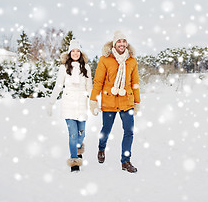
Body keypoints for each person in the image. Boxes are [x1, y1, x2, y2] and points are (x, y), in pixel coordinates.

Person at [89, 31, 140, 173]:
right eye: (119, 41)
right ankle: (101, 148)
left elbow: (135, 83)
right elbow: (98, 82)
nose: (122, 44)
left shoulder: (132, 61)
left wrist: (137, 102)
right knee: (106, 130)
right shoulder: (105, 59)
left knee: (129, 131)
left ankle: (126, 161)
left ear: (126, 43)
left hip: (126, 101)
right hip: (109, 102)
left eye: (124, 41)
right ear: (114, 43)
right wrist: (93, 100)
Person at [47, 40, 92, 172]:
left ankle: (78, 149)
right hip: (68, 104)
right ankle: (74, 161)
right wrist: (51, 102)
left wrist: (94, 102)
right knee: (72, 134)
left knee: (81, 134)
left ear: (81, 53)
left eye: (78, 51)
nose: (75, 53)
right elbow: (58, 86)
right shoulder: (63, 68)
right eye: (73, 51)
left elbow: (89, 87)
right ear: (69, 53)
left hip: (82, 104)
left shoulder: (86, 68)